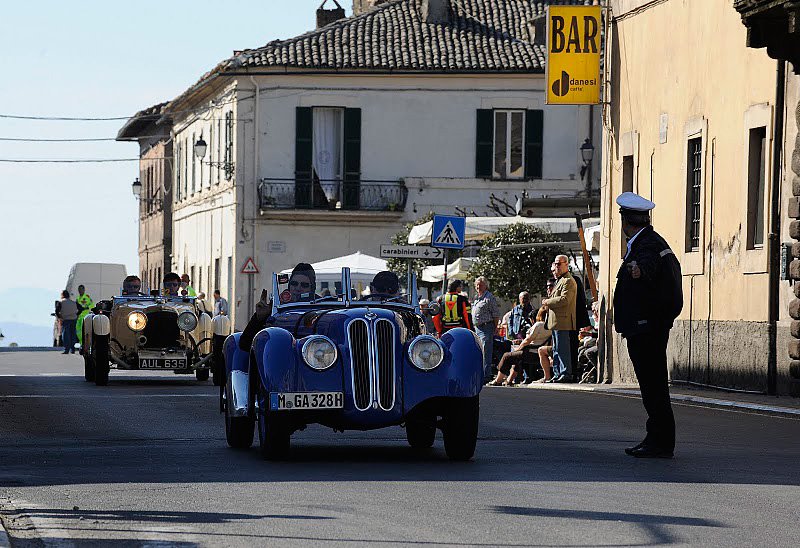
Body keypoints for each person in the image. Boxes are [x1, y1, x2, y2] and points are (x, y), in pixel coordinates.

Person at [614, 191, 683, 459]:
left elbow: (647, 268)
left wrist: (639, 271)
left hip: (647, 328)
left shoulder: (646, 245)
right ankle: (656, 437)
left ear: (626, 222)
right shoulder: (647, 241)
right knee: (652, 386)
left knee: (653, 386)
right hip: (647, 327)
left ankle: (660, 442)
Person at [239, 263, 317, 351]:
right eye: (294, 284)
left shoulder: (320, 305)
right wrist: (259, 318)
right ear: (289, 285)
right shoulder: (277, 305)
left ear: (312, 287)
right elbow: (245, 344)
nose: (298, 288)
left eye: (304, 285)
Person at [488, 308, 552, 386]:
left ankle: (498, 380)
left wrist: (519, 348)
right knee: (516, 358)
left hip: (532, 352)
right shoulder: (550, 326)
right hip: (537, 352)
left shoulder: (539, 325)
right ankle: (509, 380)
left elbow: (528, 340)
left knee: (506, 356)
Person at [541, 255, 577, 383]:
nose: (556, 266)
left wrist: (547, 301)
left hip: (563, 321)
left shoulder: (568, 281)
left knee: (563, 349)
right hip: (556, 322)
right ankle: (557, 373)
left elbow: (565, 299)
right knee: (556, 349)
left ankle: (565, 373)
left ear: (566, 264)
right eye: (555, 264)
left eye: (559, 264)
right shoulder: (560, 280)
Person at [472, 276, 501, 382]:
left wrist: (495, 327)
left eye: (481, 284)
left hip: (486, 327)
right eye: (477, 285)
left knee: (486, 351)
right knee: (479, 352)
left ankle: (486, 375)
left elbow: (496, 314)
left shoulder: (489, 297)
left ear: (486, 286)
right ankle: (480, 374)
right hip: (477, 328)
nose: (478, 286)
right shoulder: (477, 298)